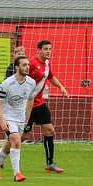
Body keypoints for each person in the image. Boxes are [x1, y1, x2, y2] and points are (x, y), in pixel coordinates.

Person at [0, 55, 37, 182]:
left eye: (28, 65)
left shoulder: (31, 83)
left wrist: (27, 118)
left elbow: (31, 100)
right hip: (9, 119)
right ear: (17, 67)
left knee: (8, 147)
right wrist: (2, 121)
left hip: (21, 119)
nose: (27, 67)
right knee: (16, 141)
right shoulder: (7, 83)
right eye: (24, 65)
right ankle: (17, 174)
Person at [23, 39, 71, 173]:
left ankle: (49, 163)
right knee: (25, 136)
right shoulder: (31, 63)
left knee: (50, 130)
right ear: (38, 51)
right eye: (45, 49)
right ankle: (3, 152)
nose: (48, 52)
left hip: (40, 103)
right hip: (28, 104)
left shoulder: (47, 64)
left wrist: (61, 87)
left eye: (50, 49)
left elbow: (50, 77)